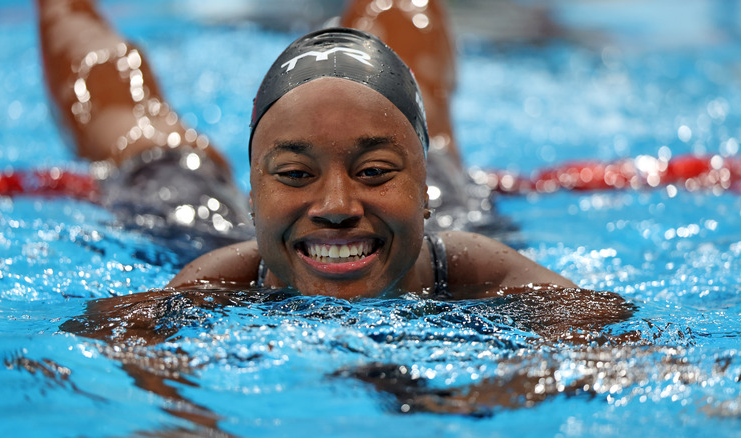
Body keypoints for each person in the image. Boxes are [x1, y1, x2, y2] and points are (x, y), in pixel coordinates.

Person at [38, 0, 578, 301]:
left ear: (423, 189)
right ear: (253, 194)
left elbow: (625, 355)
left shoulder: (476, 269)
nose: (337, 206)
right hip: (205, 223)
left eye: (373, 171)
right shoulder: (211, 282)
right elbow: (118, 353)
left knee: (415, 103)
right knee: (141, 141)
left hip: (410, 210)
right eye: (295, 173)